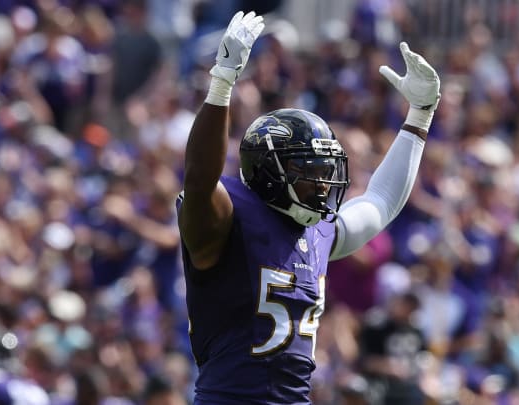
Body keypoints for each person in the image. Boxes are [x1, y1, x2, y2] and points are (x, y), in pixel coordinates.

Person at [177, 10, 440, 404]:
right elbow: (199, 181)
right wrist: (222, 83)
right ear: (270, 171)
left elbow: (380, 202)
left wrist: (419, 116)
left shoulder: (318, 230)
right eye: (310, 170)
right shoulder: (228, 216)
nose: (323, 182)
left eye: (327, 169)